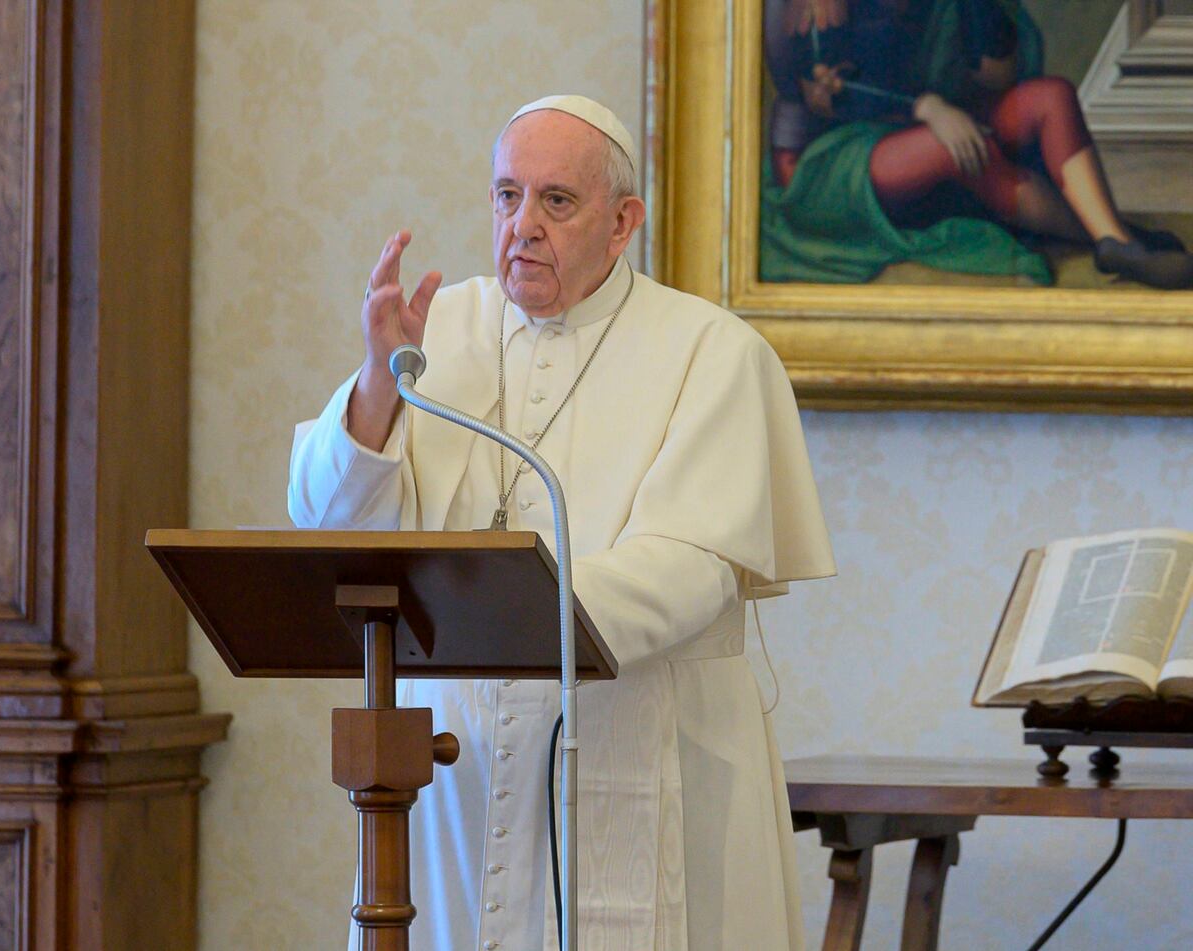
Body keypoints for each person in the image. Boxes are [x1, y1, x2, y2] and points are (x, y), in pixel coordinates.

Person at [288, 94, 835, 951]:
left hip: (644, 739)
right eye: (507, 196)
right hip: (453, 773)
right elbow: (326, 515)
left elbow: (692, 565)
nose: (524, 225)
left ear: (623, 224)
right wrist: (378, 379)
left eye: (556, 201)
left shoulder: (712, 351)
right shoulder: (437, 329)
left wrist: (508, 609)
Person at [761, 0, 1193, 288]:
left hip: (929, 127)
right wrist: (925, 107)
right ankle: (1117, 239)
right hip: (828, 163)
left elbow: (997, 76)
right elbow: (816, 93)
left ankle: (1112, 239)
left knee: (1050, 97)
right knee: (959, 149)